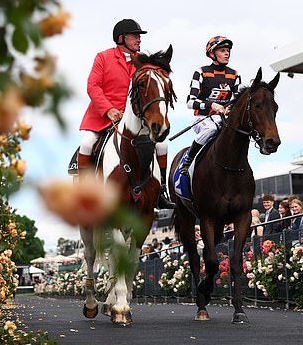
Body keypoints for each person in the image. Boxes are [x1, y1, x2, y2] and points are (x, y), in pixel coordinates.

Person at [78, 18, 175, 209]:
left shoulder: (142, 62)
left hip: (135, 118)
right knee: (86, 144)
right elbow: (93, 86)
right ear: (121, 38)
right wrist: (109, 109)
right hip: (103, 117)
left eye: (139, 36)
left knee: (162, 144)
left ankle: (161, 190)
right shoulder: (103, 57)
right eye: (135, 36)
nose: (139, 40)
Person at [179, 36, 241, 175]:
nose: (227, 53)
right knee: (212, 129)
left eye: (228, 50)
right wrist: (212, 105)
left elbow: (236, 101)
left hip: (222, 118)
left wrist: (229, 109)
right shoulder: (201, 73)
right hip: (201, 119)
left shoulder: (235, 75)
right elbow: (190, 102)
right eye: (223, 50)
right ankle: (188, 159)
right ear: (212, 54)